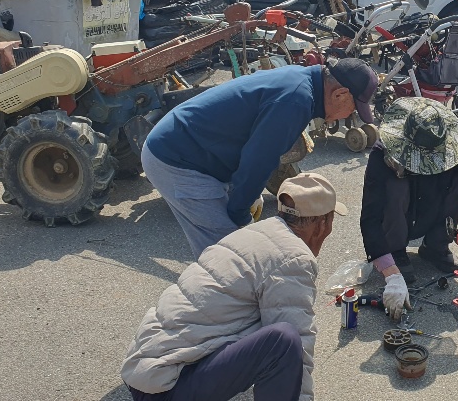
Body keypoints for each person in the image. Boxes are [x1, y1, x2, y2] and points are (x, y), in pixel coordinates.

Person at [121, 172, 344, 401]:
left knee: (263, 326)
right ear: (323, 224)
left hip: (146, 373)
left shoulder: (255, 232)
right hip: (166, 388)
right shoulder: (293, 258)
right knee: (283, 341)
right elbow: (299, 342)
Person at [141, 58, 376, 258]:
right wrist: (240, 214)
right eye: (353, 109)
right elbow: (258, 162)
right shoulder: (295, 101)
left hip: (188, 146)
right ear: (340, 94)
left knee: (235, 250)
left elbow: (257, 151)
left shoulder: (302, 79)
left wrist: (247, 198)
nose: (349, 116)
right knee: (230, 255)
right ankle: (218, 296)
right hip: (177, 159)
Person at [360, 97, 458, 319]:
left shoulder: (453, 146)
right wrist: (391, 273)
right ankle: (396, 252)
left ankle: (436, 245)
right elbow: (370, 216)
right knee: (395, 187)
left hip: (433, 208)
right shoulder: (383, 154)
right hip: (401, 218)